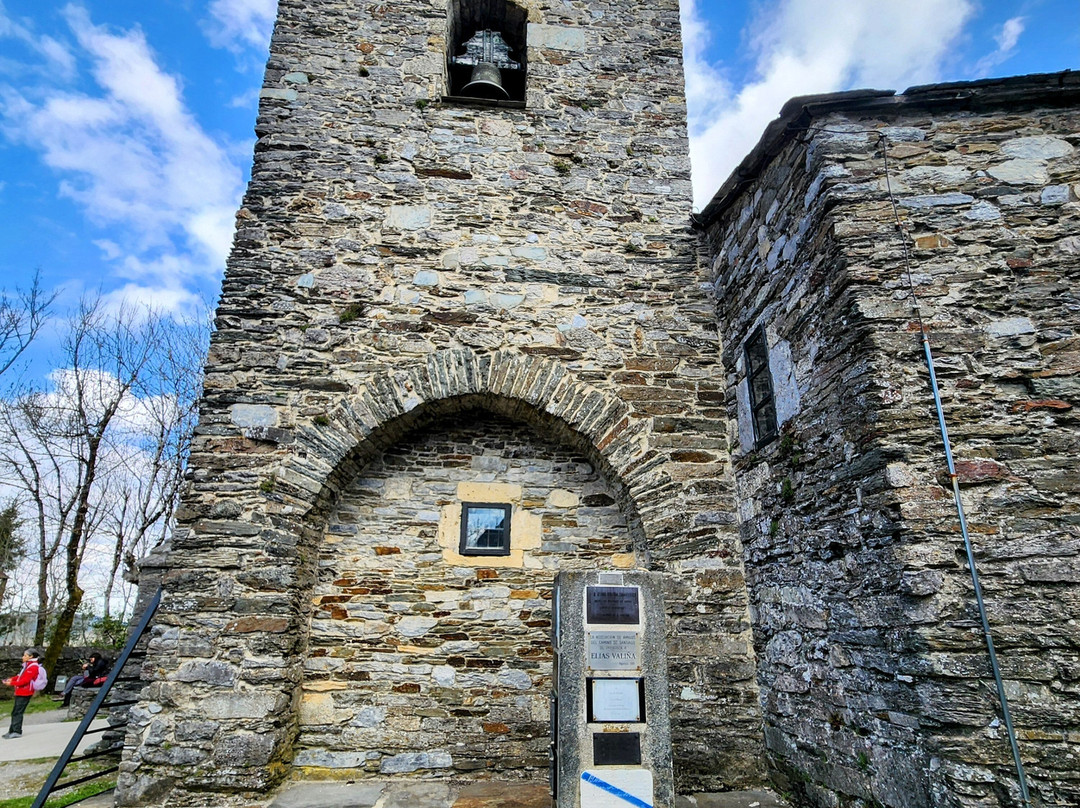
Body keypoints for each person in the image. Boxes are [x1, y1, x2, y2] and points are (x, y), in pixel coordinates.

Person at [3, 648, 43, 739]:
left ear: (31, 656)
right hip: (20, 692)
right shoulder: (27, 666)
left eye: (25, 655)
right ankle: (12, 730)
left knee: (18, 711)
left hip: (25, 692)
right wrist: (12, 679)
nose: (23, 657)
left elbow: (24, 681)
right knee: (15, 711)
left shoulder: (33, 667)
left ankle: (17, 731)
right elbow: (20, 676)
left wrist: (11, 683)